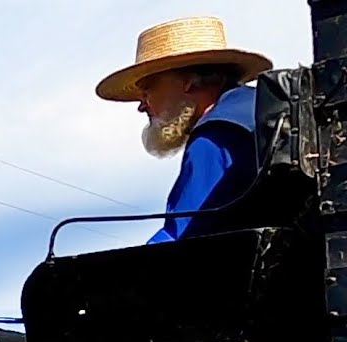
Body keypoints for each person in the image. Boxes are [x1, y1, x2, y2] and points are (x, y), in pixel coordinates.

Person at [94, 16, 274, 243]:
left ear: (188, 82)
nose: (141, 106)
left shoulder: (215, 135)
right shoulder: (265, 110)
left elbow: (179, 240)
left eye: (147, 90)